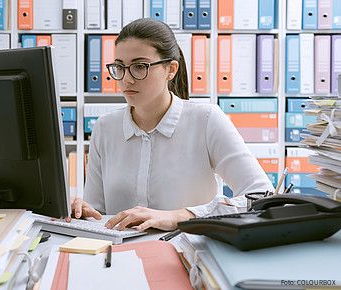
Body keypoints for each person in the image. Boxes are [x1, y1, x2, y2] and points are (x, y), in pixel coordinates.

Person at [70, 18, 274, 231]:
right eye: (120, 67)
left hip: (187, 252)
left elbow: (261, 196)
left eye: (140, 67)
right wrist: (82, 211)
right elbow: (97, 214)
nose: (126, 79)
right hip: (120, 256)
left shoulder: (206, 120)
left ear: (171, 69)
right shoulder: (104, 127)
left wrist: (181, 216)